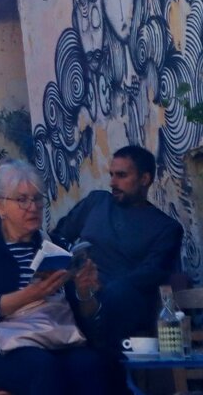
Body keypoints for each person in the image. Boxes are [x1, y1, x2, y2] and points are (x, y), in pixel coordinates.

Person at [0, 161, 120, 395]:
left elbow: (87, 318)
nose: (32, 207)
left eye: (36, 199)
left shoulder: (55, 246)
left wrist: (85, 292)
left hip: (57, 339)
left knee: (93, 365)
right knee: (42, 367)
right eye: (21, 200)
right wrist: (31, 295)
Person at [51, 144, 183, 350]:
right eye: (112, 175)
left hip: (123, 301)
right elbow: (58, 236)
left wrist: (102, 285)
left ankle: (97, 359)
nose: (113, 182)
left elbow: (152, 272)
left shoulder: (166, 228)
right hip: (79, 288)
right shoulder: (96, 202)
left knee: (119, 294)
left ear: (144, 179)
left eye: (121, 175)